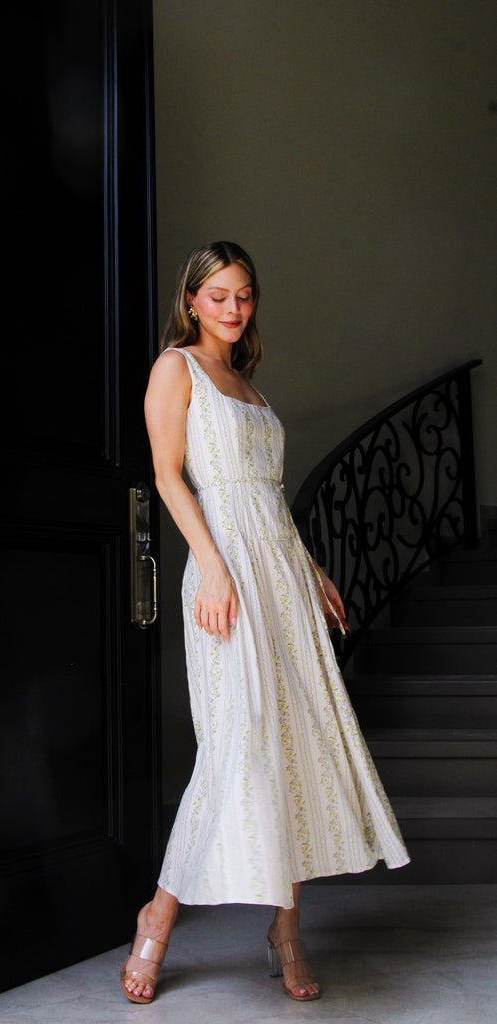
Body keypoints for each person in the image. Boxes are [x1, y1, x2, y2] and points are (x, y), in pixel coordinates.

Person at [121, 241, 409, 1005]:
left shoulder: (249, 388)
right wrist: (212, 566)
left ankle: (287, 929)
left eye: (244, 294)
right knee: (235, 742)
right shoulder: (175, 368)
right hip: (225, 572)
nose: (232, 308)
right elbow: (167, 476)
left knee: (291, 743)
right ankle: (158, 916)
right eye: (217, 295)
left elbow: (268, 498)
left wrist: (311, 571)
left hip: (280, 573)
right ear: (191, 300)